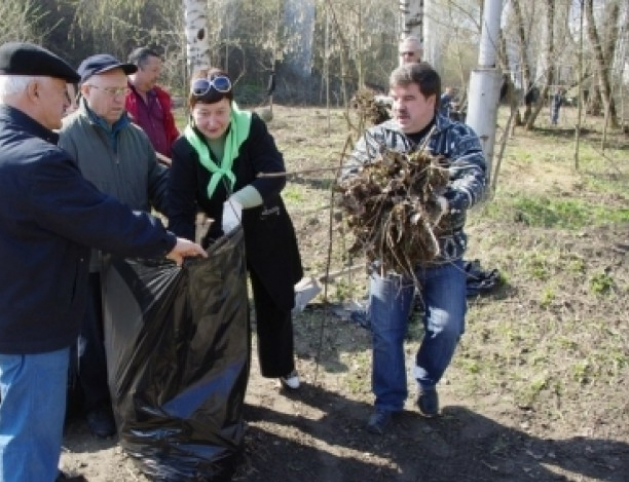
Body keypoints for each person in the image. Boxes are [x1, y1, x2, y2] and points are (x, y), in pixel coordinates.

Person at [0, 41, 205, 482]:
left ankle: (38, 477)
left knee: (30, 414)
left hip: (9, 304)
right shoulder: (36, 158)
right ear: (36, 90)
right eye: (64, 93)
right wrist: (166, 242)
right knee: (27, 417)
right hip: (31, 315)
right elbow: (98, 216)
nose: (67, 103)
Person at [338, 63, 487, 435]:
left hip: (443, 254)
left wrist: (445, 200)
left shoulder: (456, 137)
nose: (399, 106)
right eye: (395, 98)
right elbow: (348, 178)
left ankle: (426, 380)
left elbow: (476, 177)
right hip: (389, 259)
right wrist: (363, 196)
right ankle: (388, 402)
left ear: (431, 100)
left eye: (409, 99)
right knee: (386, 332)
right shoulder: (377, 139)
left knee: (448, 325)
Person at [166, 68, 304, 391]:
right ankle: (231, 380)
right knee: (227, 307)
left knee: (274, 300)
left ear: (231, 107)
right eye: (204, 114)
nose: (213, 122)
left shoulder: (251, 128)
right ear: (191, 110)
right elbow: (179, 204)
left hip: (266, 227)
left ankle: (282, 366)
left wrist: (238, 201)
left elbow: (274, 175)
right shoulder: (184, 149)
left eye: (220, 113)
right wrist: (182, 243)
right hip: (219, 237)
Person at [58, 53, 170, 439]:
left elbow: (156, 183)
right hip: (87, 261)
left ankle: (132, 398)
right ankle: (97, 406)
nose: (119, 98)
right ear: (85, 90)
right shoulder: (66, 138)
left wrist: (182, 197)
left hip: (133, 260)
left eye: (122, 90)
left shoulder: (136, 136)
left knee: (132, 332)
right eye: (109, 91)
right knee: (91, 339)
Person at [125, 47, 180, 159]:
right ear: (138, 69)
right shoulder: (120, 97)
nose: (158, 75)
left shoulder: (160, 97)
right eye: (154, 70)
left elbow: (171, 133)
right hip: (136, 167)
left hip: (165, 168)